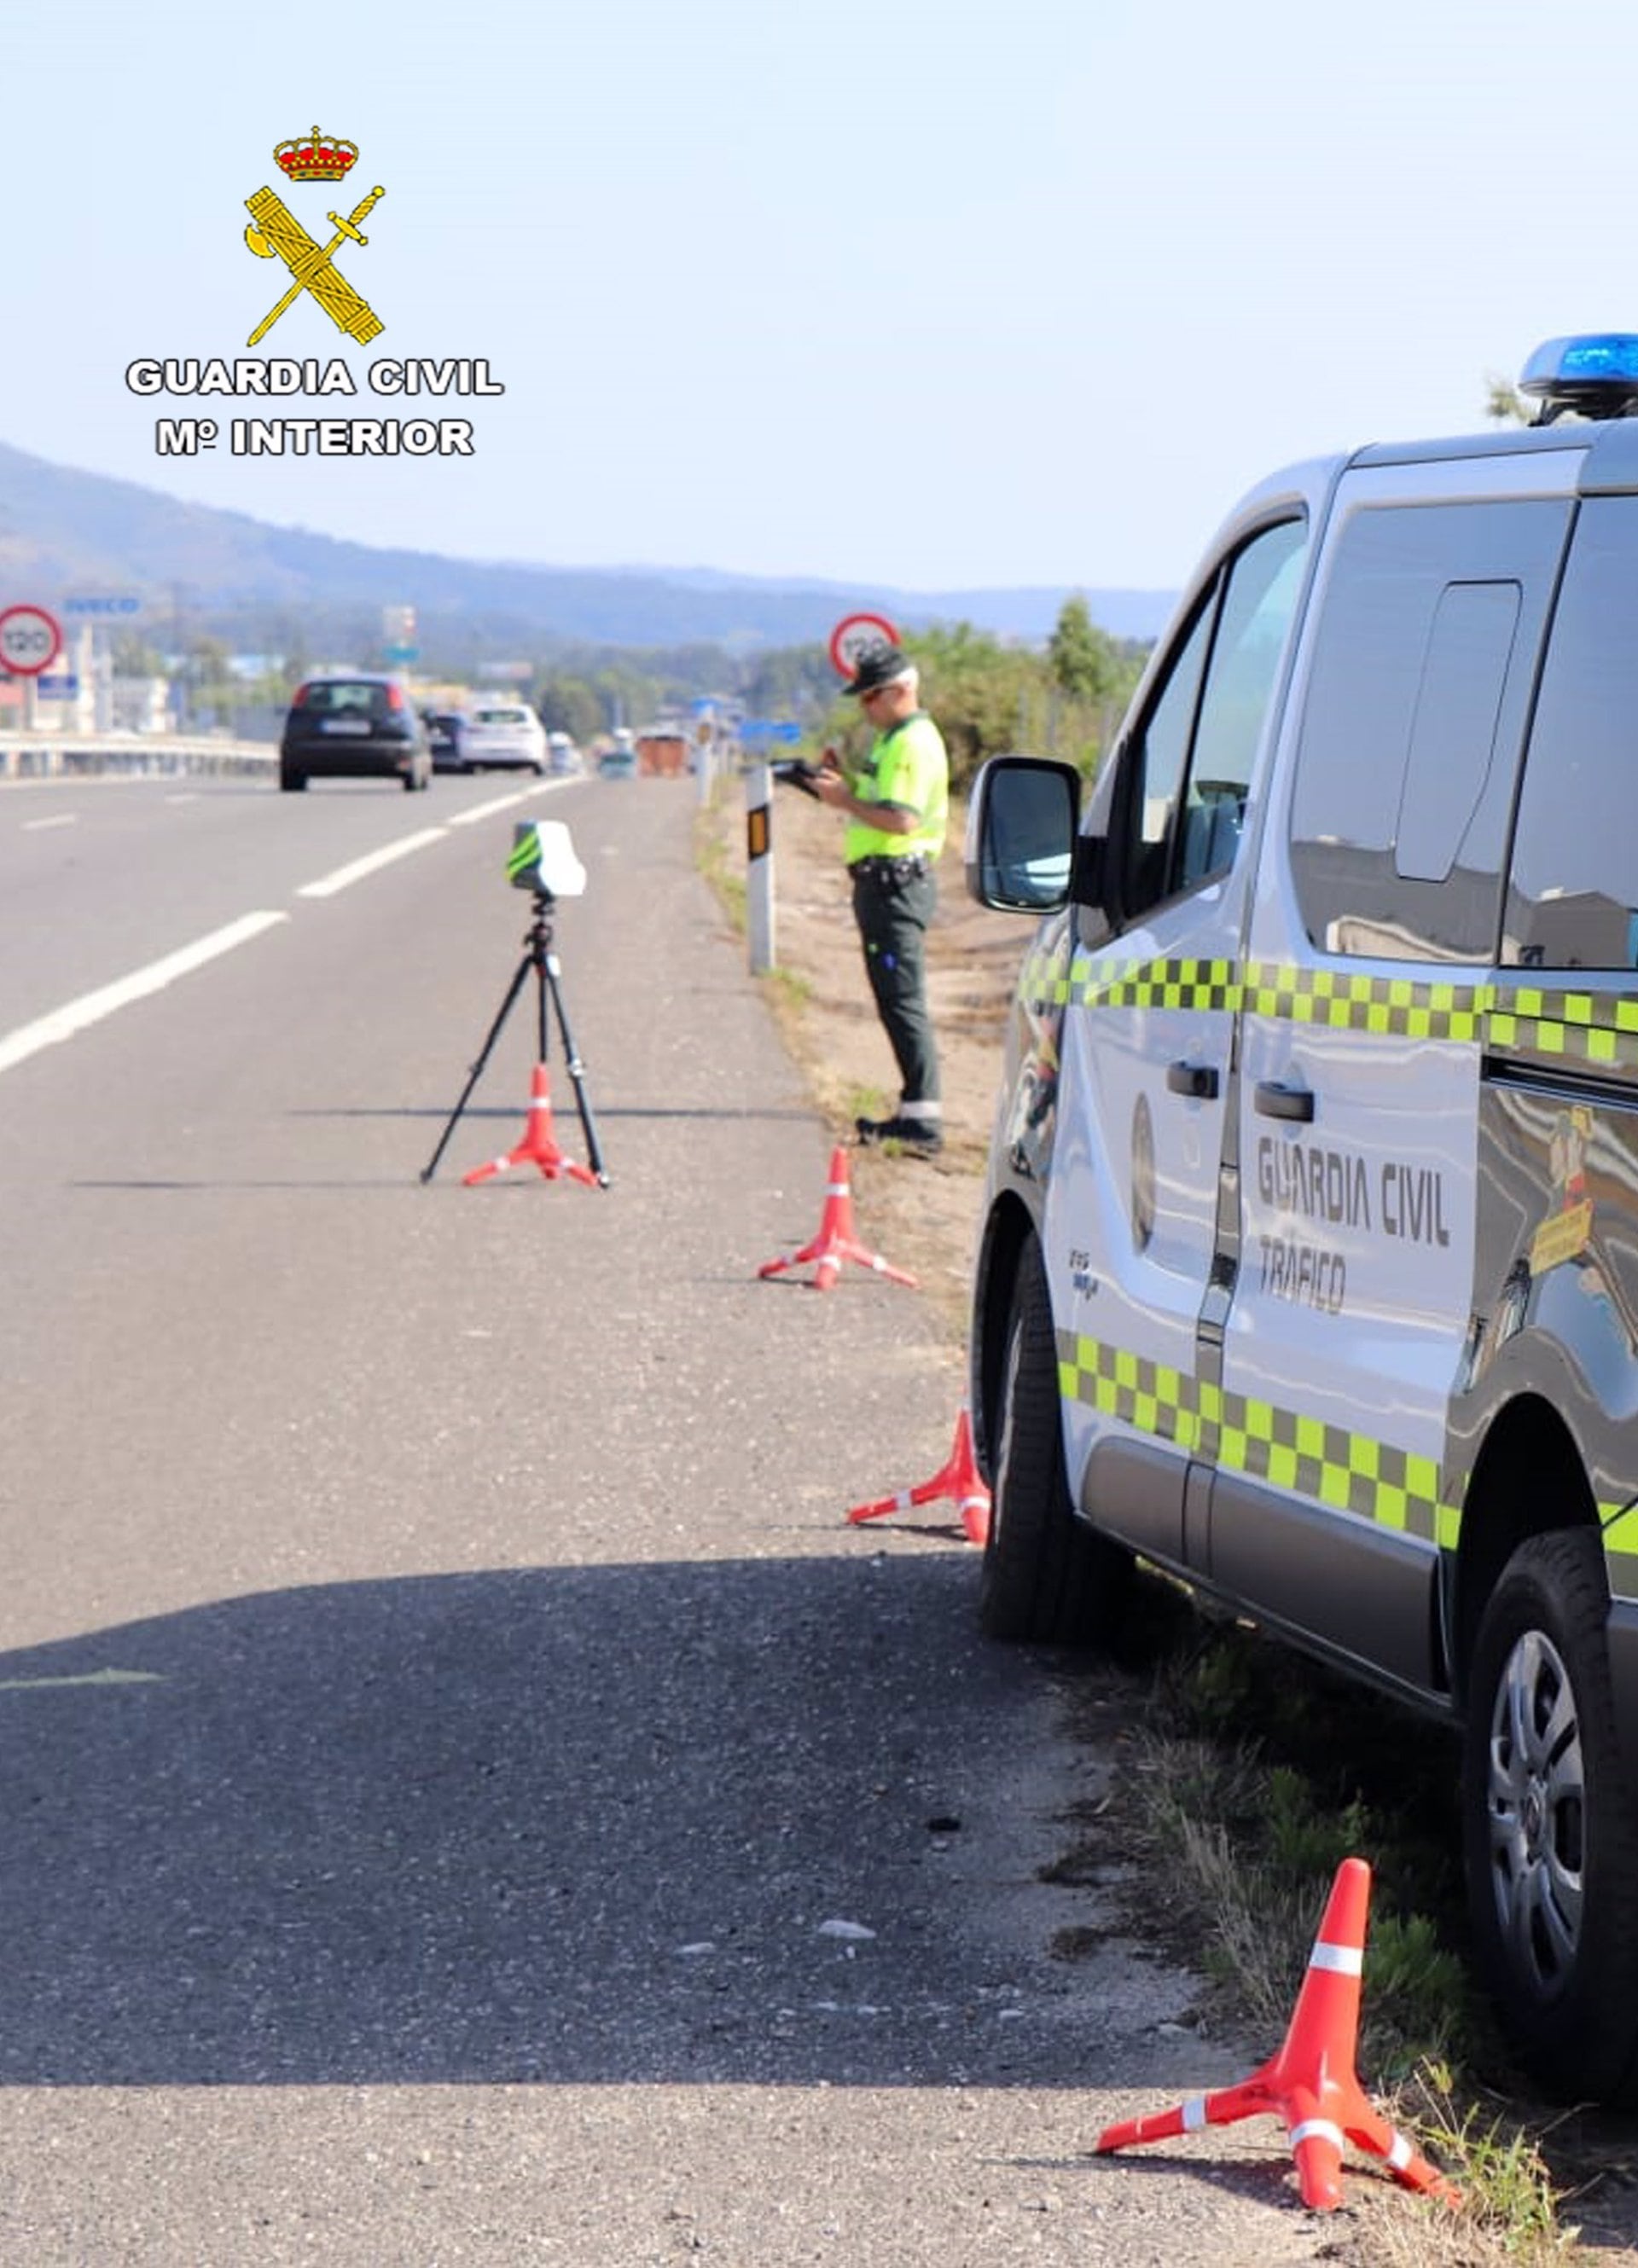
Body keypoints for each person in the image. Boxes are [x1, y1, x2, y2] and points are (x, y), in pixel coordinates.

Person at [813, 646, 950, 1155]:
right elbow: (882, 802)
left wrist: (844, 800)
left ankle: (923, 1120)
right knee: (895, 997)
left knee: (903, 998)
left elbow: (901, 819)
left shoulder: (911, 743)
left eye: (870, 696)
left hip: (896, 886)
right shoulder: (894, 740)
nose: (864, 707)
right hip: (885, 884)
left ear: (900, 690)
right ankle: (916, 1110)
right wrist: (843, 785)